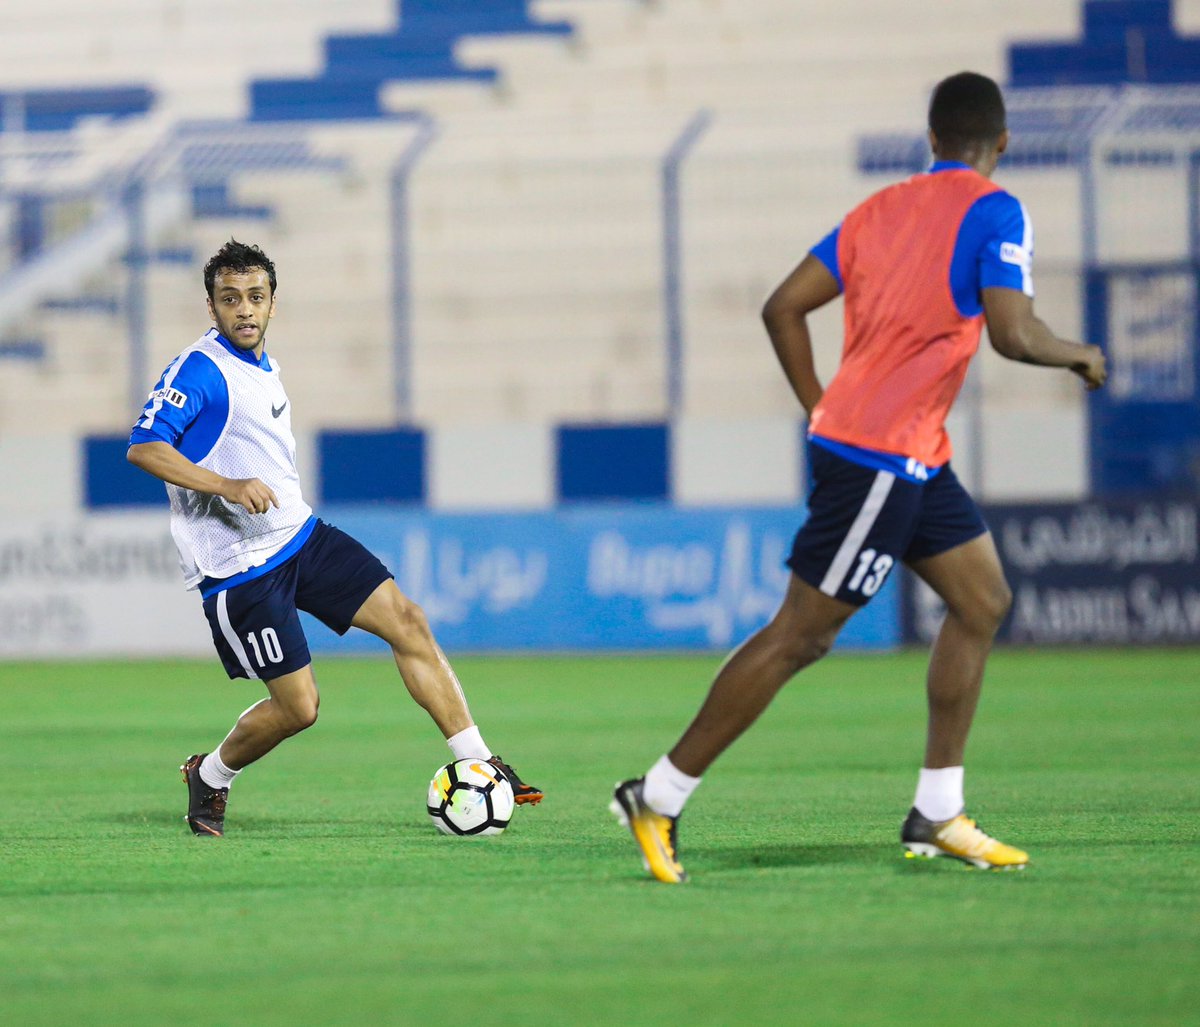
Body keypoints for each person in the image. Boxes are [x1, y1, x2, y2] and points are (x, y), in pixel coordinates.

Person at [611, 71, 1107, 882]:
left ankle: (939, 810)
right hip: (880, 454)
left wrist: (819, 405)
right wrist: (1078, 352)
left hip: (904, 450)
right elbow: (1014, 334)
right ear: (1002, 142)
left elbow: (782, 305)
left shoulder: (877, 211)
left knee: (982, 600)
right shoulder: (996, 210)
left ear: (931, 137)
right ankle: (658, 794)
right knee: (801, 635)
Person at [128, 238, 542, 837]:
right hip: (241, 566)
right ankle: (211, 775)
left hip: (300, 535)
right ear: (211, 308)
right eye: (230, 299)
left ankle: (477, 762)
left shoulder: (266, 368)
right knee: (300, 709)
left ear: (273, 304)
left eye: (255, 297)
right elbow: (145, 447)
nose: (244, 309)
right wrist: (225, 484)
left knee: (409, 620)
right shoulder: (200, 371)